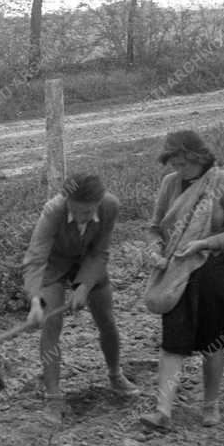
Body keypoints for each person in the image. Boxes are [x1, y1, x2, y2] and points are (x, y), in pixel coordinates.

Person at [139, 130, 224, 432]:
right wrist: (154, 251)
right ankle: (162, 411)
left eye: (184, 164)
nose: (179, 170)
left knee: (212, 340)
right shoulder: (170, 184)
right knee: (173, 342)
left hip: (212, 271)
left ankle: (210, 404)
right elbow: (154, 228)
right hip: (177, 272)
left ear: (199, 157)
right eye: (174, 164)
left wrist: (204, 244)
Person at [22, 171, 139, 421]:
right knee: (51, 323)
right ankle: (53, 398)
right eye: (74, 211)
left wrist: (84, 287)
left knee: (106, 319)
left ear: (98, 203)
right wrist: (35, 301)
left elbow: (101, 251)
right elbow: (36, 256)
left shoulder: (110, 206)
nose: (79, 217)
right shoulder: (53, 210)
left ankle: (115, 375)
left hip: (88, 260)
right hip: (54, 264)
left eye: (86, 213)